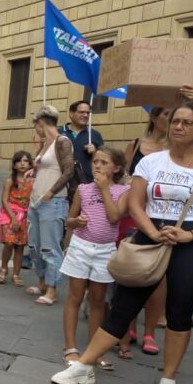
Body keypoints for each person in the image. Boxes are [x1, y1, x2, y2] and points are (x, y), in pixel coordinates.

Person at [52, 101, 193, 384]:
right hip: (150, 235)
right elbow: (135, 203)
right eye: (176, 120)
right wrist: (151, 232)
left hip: (190, 241)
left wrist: (189, 235)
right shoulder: (151, 162)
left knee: (179, 312)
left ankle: (169, 380)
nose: (178, 126)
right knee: (124, 305)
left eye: (187, 123)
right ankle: (85, 365)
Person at [58, 148, 130, 368]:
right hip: (81, 246)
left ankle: (94, 350)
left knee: (98, 300)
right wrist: (76, 222)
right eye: (95, 161)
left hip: (105, 250)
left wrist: (105, 190)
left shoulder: (123, 191)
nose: (97, 165)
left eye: (104, 162)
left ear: (116, 168)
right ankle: (70, 347)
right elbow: (68, 220)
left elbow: (114, 216)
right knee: (75, 296)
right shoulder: (83, 189)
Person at [117, 106, 171, 356]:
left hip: (162, 216)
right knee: (132, 270)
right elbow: (124, 175)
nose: (172, 121)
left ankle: (149, 331)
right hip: (134, 214)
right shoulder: (136, 144)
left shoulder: (175, 151)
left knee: (159, 278)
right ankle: (129, 327)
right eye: (167, 115)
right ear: (154, 117)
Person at [24, 105, 74, 304]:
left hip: (53, 200)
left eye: (35, 124)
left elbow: (68, 171)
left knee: (50, 246)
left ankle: (52, 290)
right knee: (34, 245)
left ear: (41, 123)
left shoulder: (63, 141)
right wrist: (33, 172)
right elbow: (48, 167)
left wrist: (51, 192)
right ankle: (42, 281)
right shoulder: (45, 143)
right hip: (36, 200)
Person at [0, 150, 33, 286]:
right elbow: (4, 200)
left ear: (30, 164)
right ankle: (4, 268)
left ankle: (16, 274)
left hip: (24, 215)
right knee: (9, 242)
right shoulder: (10, 181)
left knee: (20, 246)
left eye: (25, 161)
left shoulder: (32, 182)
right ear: (14, 165)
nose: (22, 164)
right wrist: (13, 218)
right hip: (9, 214)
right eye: (19, 161)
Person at [61, 100, 102, 185]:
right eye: (81, 112)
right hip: (62, 184)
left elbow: (104, 160)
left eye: (88, 113)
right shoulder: (59, 133)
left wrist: (95, 152)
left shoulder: (95, 135)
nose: (85, 115)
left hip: (88, 184)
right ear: (71, 114)